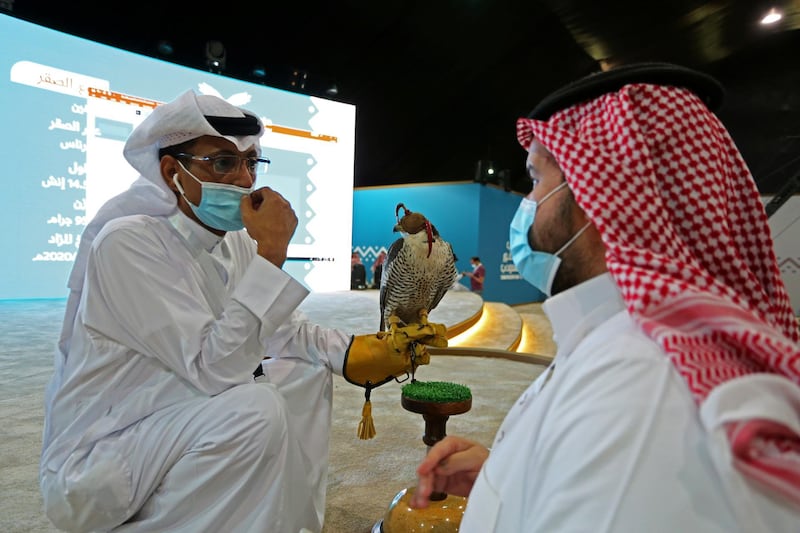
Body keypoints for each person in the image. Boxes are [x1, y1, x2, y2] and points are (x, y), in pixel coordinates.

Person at [410, 63, 800, 531]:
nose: (525, 205)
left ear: (601, 196)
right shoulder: (622, 350)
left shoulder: (644, 393)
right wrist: (506, 478)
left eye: (536, 180)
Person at [39, 90, 443, 533]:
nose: (243, 179)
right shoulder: (127, 243)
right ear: (172, 171)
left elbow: (280, 333)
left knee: (301, 375)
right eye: (222, 163)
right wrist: (271, 253)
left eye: (250, 163)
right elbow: (215, 368)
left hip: (171, 423)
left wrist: (350, 353)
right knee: (254, 408)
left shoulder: (229, 242)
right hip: (106, 456)